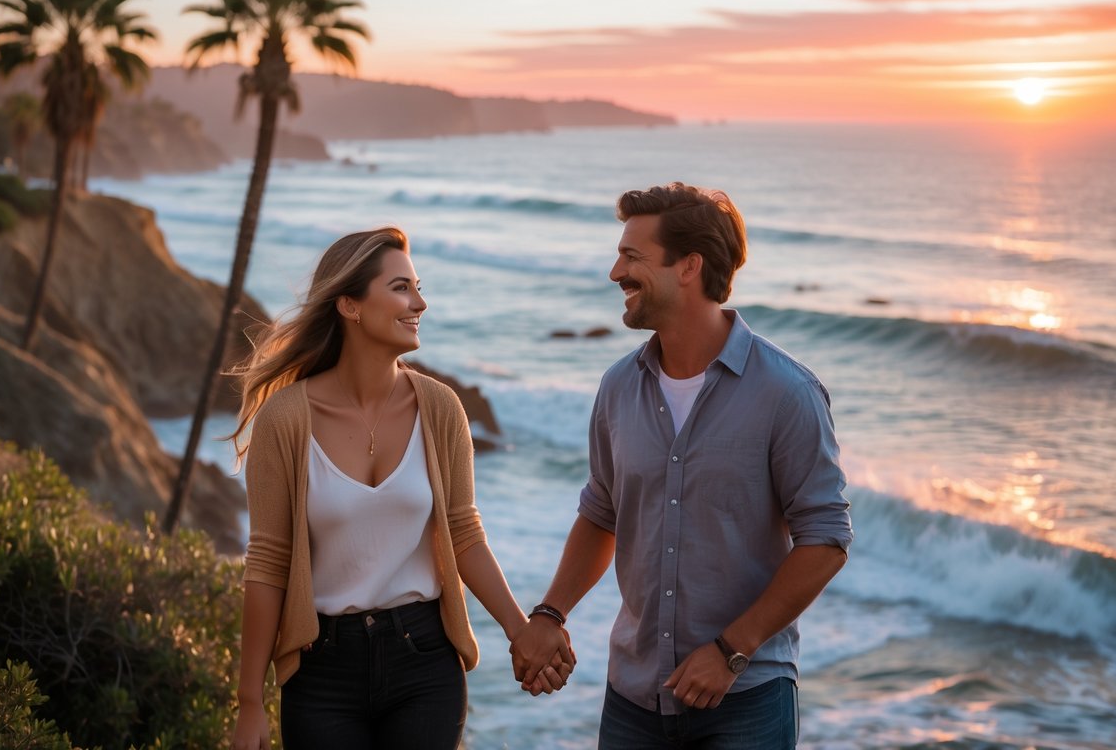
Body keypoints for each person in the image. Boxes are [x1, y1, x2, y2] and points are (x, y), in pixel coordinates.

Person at [510, 184, 852, 748]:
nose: (614, 271)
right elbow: (602, 513)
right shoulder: (619, 386)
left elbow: (826, 539)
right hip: (633, 699)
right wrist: (551, 613)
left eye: (632, 257)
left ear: (689, 266)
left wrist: (730, 651)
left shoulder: (786, 393)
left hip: (745, 701)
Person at [227, 227, 574, 750]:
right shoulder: (286, 419)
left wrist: (521, 629)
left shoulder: (440, 408)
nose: (420, 302)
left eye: (418, 286)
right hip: (322, 671)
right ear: (350, 305)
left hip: (425, 663)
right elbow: (269, 561)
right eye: (401, 288)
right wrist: (250, 700)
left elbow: (464, 532)